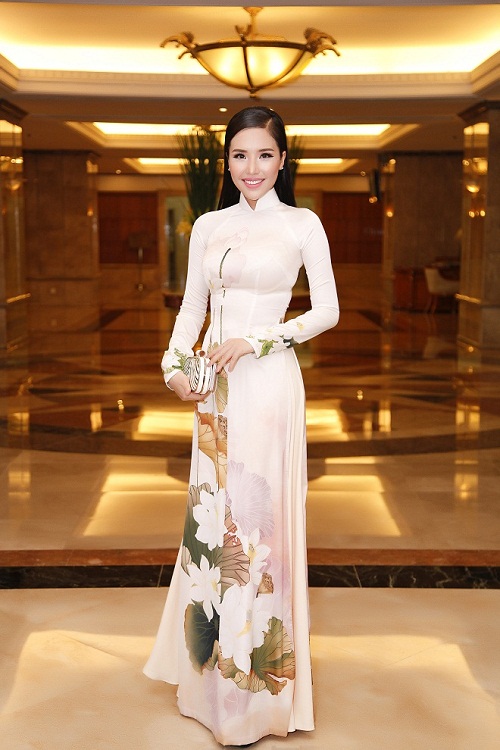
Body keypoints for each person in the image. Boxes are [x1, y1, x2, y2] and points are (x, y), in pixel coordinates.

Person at [144, 105, 339, 746]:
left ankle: (257, 696)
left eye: (264, 155)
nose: (251, 168)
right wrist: (174, 367)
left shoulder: (302, 224)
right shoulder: (208, 225)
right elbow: (191, 310)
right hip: (215, 394)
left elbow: (327, 311)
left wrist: (257, 341)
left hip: (269, 386)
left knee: (260, 530)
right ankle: (211, 685)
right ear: (226, 161)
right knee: (213, 527)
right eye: (239, 155)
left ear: (282, 160)